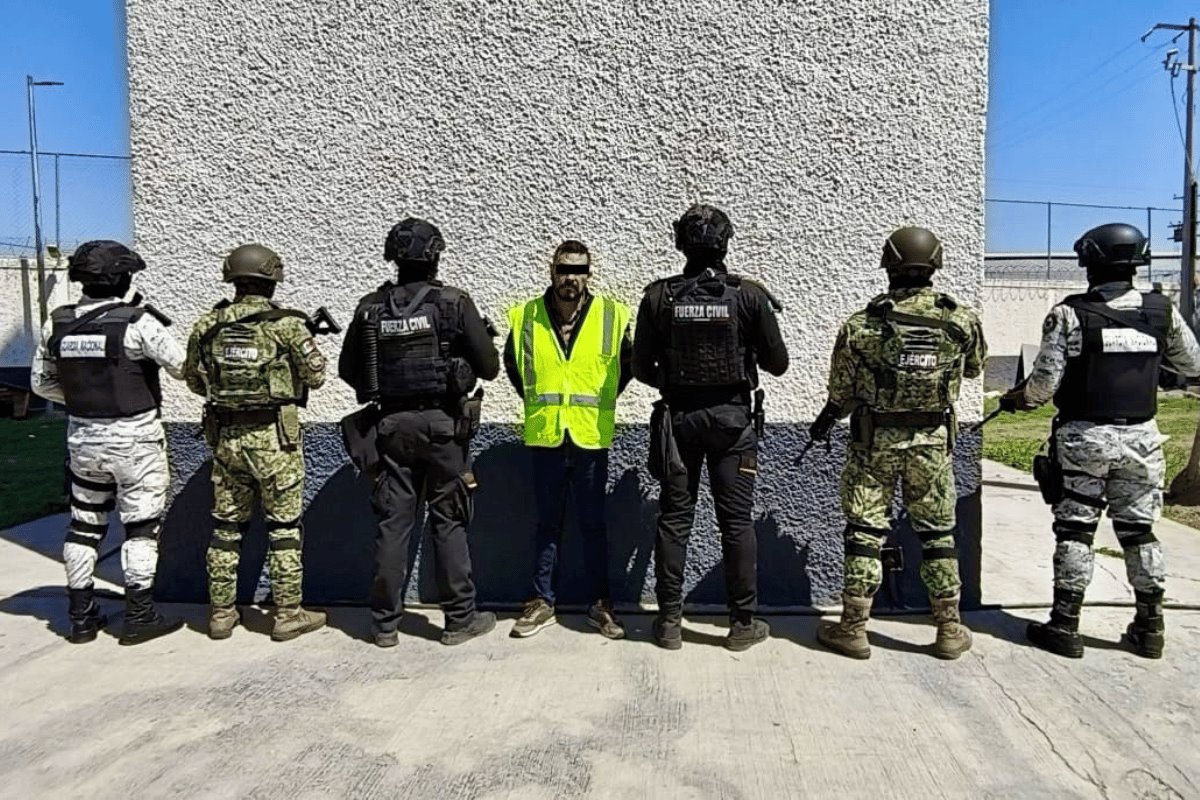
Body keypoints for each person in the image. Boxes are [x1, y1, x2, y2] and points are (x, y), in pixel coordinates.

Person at [1001, 223, 1200, 659]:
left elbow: (1043, 384)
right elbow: (1193, 361)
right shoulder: (1160, 312)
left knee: (1076, 530)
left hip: (1085, 439)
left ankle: (1065, 626)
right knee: (1140, 532)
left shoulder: (1069, 314)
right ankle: (1150, 629)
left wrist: (1019, 400)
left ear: (1090, 262)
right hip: (1142, 440)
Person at [812, 226, 986, 661]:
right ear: (935, 264)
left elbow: (841, 389)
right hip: (932, 444)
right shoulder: (960, 319)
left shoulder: (863, 324)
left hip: (874, 444)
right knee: (938, 534)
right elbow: (973, 369)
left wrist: (829, 415)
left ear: (889, 264)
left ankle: (853, 628)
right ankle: (948, 628)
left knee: (865, 530)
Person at [632, 203, 788, 651]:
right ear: (725, 242)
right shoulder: (748, 296)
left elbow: (641, 367)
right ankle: (742, 625)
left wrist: (675, 377)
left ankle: (668, 624)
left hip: (679, 422)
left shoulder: (659, 296)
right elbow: (779, 364)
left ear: (680, 241)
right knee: (736, 523)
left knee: (675, 521)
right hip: (733, 423)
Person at [339, 217, 500, 648]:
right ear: (434, 256)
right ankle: (459, 620)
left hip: (390, 427)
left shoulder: (370, 306)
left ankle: (384, 624)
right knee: (448, 521)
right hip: (442, 428)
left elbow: (347, 371)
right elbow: (489, 368)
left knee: (394, 524)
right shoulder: (453, 303)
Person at [31, 240, 185, 645]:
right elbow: (184, 367)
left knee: (84, 526)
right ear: (123, 278)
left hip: (83, 438)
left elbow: (40, 383)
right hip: (135, 441)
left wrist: (83, 400)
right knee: (140, 529)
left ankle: (81, 617)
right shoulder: (139, 322)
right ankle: (140, 615)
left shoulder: (57, 323)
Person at [184, 244, 328, 642]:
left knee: (226, 529)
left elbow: (194, 380)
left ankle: (222, 614)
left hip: (227, 440)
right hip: (275, 442)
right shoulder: (287, 326)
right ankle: (287, 615)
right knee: (284, 529)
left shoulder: (207, 325)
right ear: (272, 279)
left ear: (232, 278)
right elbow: (316, 377)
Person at [503, 240, 633, 639]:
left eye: (579, 270)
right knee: (547, 523)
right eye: (564, 270)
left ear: (588, 274)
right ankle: (542, 600)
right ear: (551, 271)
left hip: (590, 435)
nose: (571, 278)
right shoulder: (526, 316)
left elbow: (625, 368)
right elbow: (514, 366)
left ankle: (600, 603)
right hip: (546, 434)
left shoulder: (611, 316)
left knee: (593, 523)